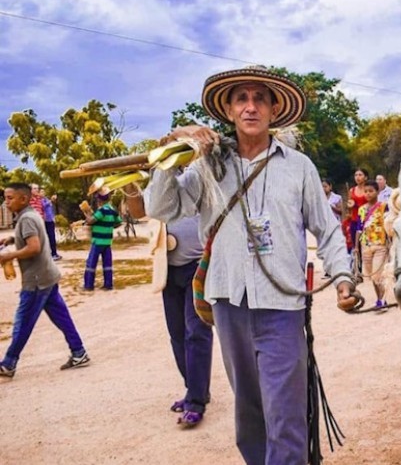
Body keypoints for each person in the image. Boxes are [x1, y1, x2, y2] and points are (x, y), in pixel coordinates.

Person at [144, 65, 355, 465]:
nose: (251, 106)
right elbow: (163, 207)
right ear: (229, 110)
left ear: (275, 110)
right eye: (242, 98)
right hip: (229, 304)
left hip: (283, 307)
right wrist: (171, 150)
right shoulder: (207, 165)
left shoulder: (298, 167)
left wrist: (342, 277)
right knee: (249, 413)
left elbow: (327, 229)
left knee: (286, 413)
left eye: (261, 98)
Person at [123, 182, 213, 428]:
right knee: (177, 334)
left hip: (199, 266)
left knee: (197, 333)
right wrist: (129, 186)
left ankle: (196, 402)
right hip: (168, 268)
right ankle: (195, 389)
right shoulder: (157, 182)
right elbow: (139, 212)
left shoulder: (198, 176)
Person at [0, 183, 90, 378]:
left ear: (23, 199)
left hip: (37, 280)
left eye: (9, 198)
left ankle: (8, 363)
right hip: (47, 276)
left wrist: (8, 256)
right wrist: (11, 240)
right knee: (61, 317)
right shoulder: (30, 215)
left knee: (23, 322)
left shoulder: (26, 219)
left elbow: (33, 247)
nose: (5, 202)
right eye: (5, 198)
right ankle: (79, 352)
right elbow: (31, 238)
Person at [356, 180, 390, 310]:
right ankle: (379, 299)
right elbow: (359, 228)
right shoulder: (361, 209)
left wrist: (389, 241)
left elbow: (387, 223)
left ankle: (383, 300)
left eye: (371, 191)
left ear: (377, 192)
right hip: (365, 244)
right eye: (366, 191)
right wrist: (356, 247)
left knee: (378, 274)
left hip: (380, 244)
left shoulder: (383, 207)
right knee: (371, 276)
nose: (368, 194)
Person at [83, 188, 122, 291]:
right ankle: (108, 284)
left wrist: (87, 213)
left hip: (97, 241)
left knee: (91, 263)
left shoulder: (102, 211)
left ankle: (89, 285)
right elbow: (119, 222)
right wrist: (110, 226)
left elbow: (91, 221)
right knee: (107, 264)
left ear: (99, 200)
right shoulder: (113, 211)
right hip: (108, 241)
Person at [347, 168, 369, 253]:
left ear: (365, 177)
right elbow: (349, 207)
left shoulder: (368, 190)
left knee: (365, 245)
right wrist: (349, 205)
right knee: (355, 246)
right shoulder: (352, 190)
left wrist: (356, 205)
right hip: (354, 220)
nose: (357, 177)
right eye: (356, 175)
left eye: (360, 175)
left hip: (365, 220)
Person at [39, 187, 62, 260]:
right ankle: (51, 254)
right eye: (41, 192)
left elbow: (50, 209)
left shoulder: (46, 199)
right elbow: (43, 207)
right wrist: (50, 201)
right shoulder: (40, 201)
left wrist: (53, 217)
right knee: (49, 237)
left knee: (52, 237)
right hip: (45, 221)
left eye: (43, 191)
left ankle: (54, 253)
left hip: (50, 220)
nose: (43, 193)